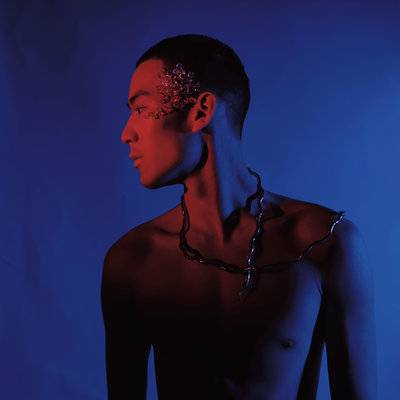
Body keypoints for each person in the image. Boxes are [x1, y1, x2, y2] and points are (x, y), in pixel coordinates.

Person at [101, 34, 377, 399]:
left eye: (140, 108)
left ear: (200, 111)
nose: (126, 133)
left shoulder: (323, 243)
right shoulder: (133, 261)